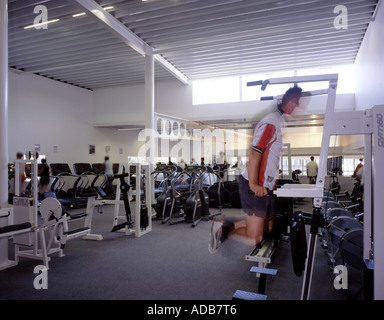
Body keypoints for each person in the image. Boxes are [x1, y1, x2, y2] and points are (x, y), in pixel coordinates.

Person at [209, 86, 304, 253]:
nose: (301, 108)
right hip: (255, 185)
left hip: (264, 186)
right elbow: (255, 152)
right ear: (291, 102)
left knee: (268, 228)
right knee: (255, 237)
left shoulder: (278, 120)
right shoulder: (271, 121)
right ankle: (223, 229)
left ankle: (227, 223)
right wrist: (253, 184)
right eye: (299, 104)